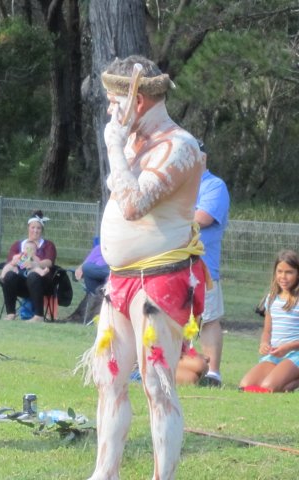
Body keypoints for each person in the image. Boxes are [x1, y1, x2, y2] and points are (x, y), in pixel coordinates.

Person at [80, 55, 206, 480]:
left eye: (115, 102)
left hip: (161, 280)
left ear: (137, 101)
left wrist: (114, 145)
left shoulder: (181, 146)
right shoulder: (134, 141)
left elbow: (134, 205)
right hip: (121, 282)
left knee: (157, 385)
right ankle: (105, 472)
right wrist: (121, 146)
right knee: (108, 379)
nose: (110, 112)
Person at [239, 250, 299, 393]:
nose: (283, 277)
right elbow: (267, 331)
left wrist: (288, 347)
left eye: (289, 272)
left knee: (268, 388)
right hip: (275, 355)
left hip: (295, 354)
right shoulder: (271, 298)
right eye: (280, 271)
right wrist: (264, 343)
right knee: (245, 386)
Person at [195, 144, 230, 387]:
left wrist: (172, 216)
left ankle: (213, 374)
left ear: (203, 157)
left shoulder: (214, 186)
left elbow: (202, 218)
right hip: (171, 266)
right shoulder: (176, 186)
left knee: (208, 319)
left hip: (203, 267)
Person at [0, 210, 57, 323]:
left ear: (42, 230)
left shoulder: (48, 245)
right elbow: (11, 262)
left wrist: (35, 264)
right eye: (33, 227)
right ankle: (11, 313)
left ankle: (38, 315)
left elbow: (49, 262)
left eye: (38, 228)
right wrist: (15, 262)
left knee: (33, 276)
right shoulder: (18, 245)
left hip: (41, 283)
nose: (35, 231)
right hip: (20, 282)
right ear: (28, 228)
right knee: (10, 275)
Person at [63, 239, 109, 324]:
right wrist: (80, 268)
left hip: (112, 277)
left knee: (107, 272)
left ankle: (107, 286)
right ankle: (101, 291)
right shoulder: (99, 248)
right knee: (87, 268)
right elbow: (86, 263)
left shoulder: (120, 251)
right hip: (96, 285)